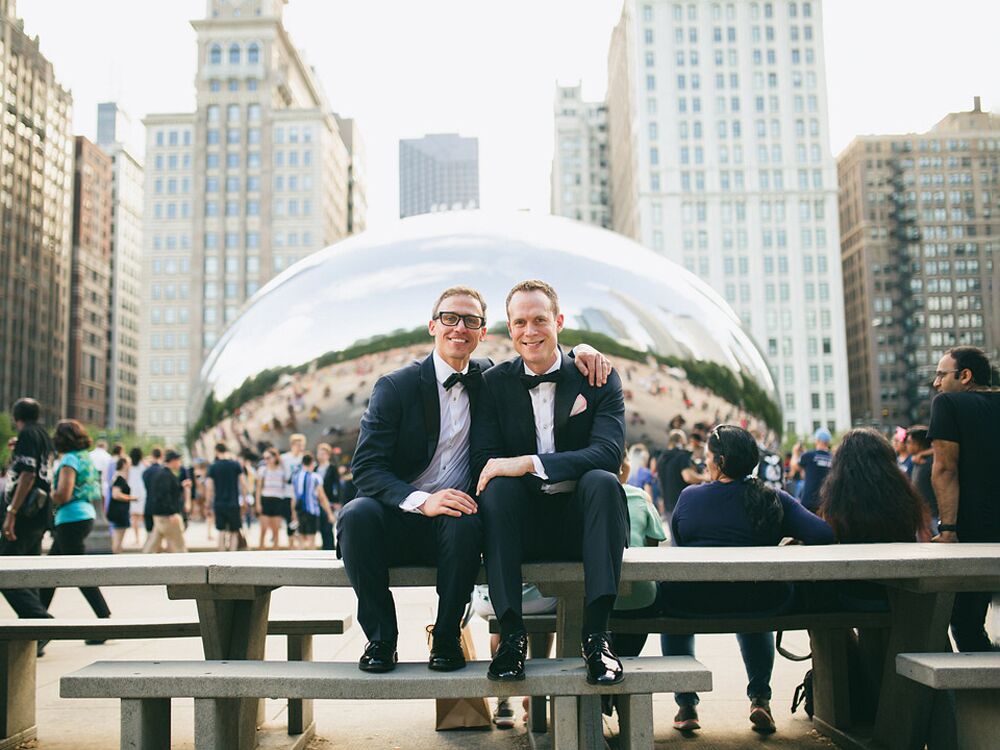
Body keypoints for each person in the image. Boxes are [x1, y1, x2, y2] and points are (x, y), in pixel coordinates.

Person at [340, 284, 610, 675]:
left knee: (465, 522)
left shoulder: (487, 378)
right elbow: (365, 469)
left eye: (471, 320)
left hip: (457, 520)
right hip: (399, 513)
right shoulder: (395, 386)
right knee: (355, 516)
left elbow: (541, 355)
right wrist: (421, 500)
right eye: (449, 317)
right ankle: (381, 639)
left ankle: (447, 636)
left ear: (483, 333)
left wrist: (583, 351)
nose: (459, 327)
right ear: (432, 325)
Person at [472, 279, 628, 686]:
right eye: (520, 322)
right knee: (499, 487)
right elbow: (485, 462)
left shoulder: (596, 375)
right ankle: (511, 637)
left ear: (558, 321)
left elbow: (609, 454)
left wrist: (529, 463)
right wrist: (512, 470)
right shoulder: (493, 384)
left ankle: (597, 638)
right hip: (521, 525)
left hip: (583, 523)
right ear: (509, 329)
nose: (530, 331)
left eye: (539, 319)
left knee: (603, 482)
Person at [663, 425, 834, 735]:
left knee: (673, 604)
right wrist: (793, 542)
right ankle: (760, 699)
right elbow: (824, 534)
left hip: (694, 603)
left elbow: (680, 545)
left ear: (721, 461)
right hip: (760, 602)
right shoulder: (773, 498)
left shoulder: (690, 497)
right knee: (753, 605)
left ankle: (686, 704)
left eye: (709, 456)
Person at [928, 346, 1000, 652]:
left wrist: (948, 530)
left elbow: (945, 468)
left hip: (976, 531)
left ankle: (984, 696)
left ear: (965, 376)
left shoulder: (948, 404)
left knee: (966, 621)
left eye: (942, 374)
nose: (937, 383)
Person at [39, 420, 112, 621]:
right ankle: (37, 619)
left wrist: (47, 494)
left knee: (78, 574)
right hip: (85, 515)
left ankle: (103, 617)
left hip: (71, 517)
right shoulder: (85, 458)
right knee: (49, 573)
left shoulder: (69, 460)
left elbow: (63, 494)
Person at [1, 398, 53, 623]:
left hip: (25, 514)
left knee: (5, 571)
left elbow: (29, 474)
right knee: (28, 572)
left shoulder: (27, 435)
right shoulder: (43, 436)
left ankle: (40, 619)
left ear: (16, 416)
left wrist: (12, 512)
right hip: (40, 512)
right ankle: (36, 632)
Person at [143, 450, 190, 553]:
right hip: (167, 516)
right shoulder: (166, 475)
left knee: (152, 545)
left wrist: (181, 486)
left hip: (160, 514)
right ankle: (186, 565)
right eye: (178, 461)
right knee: (179, 546)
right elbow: (164, 495)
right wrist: (172, 513)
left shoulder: (162, 474)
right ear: (173, 461)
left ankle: (142, 562)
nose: (179, 463)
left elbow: (168, 492)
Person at [656, 429, 706, 524]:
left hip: (668, 506)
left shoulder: (661, 458)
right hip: (684, 504)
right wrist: (704, 477)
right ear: (681, 441)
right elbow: (688, 477)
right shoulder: (682, 455)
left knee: (674, 537)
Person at [205, 443, 247, 551]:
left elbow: (209, 486)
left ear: (216, 451)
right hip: (233, 503)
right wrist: (245, 499)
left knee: (221, 530)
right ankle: (232, 555)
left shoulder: (213, 466)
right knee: (234, 531)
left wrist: (208, 503)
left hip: (219, 503)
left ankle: (221, 554)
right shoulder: (235, 464)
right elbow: (243, 483)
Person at [291, 453, 335, 550]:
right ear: (312, 463)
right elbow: (322, 497)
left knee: (301, 538)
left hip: (300, 511)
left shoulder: (296, 477)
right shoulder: (315, 477)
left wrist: (293, 514)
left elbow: (294, 497)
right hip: (312, 510)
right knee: (312, 539)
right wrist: (329, 513)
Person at [790, 427, 834, 512]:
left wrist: (795, 452)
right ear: (828, 442)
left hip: (809, 503)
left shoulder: (809, 456)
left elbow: (794, 466)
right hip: (826, 503)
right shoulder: (834, 458)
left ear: (817, 440)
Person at [905, 426, 938, 533]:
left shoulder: (931, 462)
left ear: (918, 443)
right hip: (923, 516)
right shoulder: (916, 460)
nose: (907, 445)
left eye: (909, 442)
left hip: (934, 517)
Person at [255, 448, 287, 548]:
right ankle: (261, 549)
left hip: (278, 499)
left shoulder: (282, 470)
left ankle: (276, 549)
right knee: (263, 528)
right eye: (264, 458)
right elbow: (259, 488)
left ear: (274, 457)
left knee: (276, 529)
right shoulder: (263, 470)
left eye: (268, 457)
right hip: (266, 499)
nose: (266, 460)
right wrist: (258, 503)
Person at [281, 434, 307, 547]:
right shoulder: (284, 458)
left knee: (301, 519)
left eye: (301, 445)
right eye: (297, 444)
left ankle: (301, 544)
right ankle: (290, 544)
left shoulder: (304, 459)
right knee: (289, 519)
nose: (299, 447)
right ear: (292, 445)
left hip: (301, 494)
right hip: (287, 492)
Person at [108, 456, 136, 553]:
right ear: (124, 464)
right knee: (118, 539)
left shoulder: (117, 477)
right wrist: (132, 498)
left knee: (118, 539)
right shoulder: (119, 478)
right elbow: (116, 494)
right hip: (119, 512)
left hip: (120, 511)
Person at [316, 443, 340, 551]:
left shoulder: (332, 468)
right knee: (320, 526)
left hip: (329, 500)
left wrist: (337, 500)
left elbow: (337, 485)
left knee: (328, 526)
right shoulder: (315, 468)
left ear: (328, 455)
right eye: (319, 453)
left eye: (323, 453)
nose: (321, 455)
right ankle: (323, 547)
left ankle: (329, 548)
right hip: (317, 501)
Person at [127, 447, 147, 546]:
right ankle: (147, 537)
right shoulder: (144, 464)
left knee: (134, 517)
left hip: (132, 492)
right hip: (143, 491)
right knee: (144, 516)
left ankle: (137, 538)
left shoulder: (128, 465)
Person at [142, 446, 164, 535]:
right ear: (161, 455)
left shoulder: (146, 472)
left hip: (148, 505)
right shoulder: (163, 471)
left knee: (150, 534)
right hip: (161, 507)